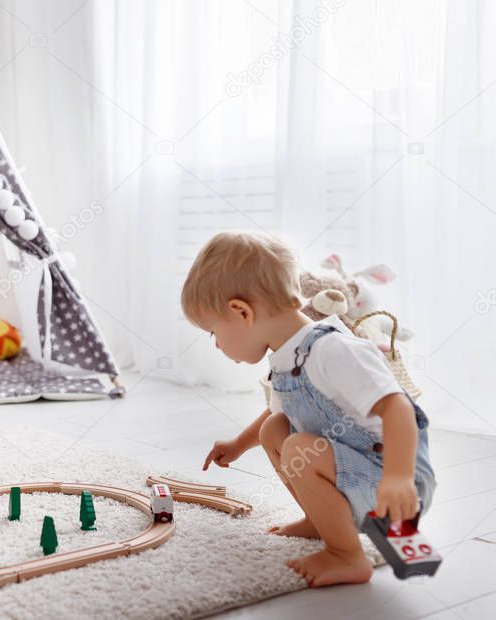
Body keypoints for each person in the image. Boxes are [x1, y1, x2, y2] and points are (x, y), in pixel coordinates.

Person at [183, 231, 436, 587]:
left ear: (241, 312)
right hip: (358, 472)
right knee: (276, 429)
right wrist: (238, 444)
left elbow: (399, 409)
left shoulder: (333, 350)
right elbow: (274, 415)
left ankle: (347, 556)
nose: (217, 345)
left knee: (299, 447)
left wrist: (398, 477)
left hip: (395, 483)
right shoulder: (287, 357)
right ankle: (322, 522)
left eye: (213, 332)